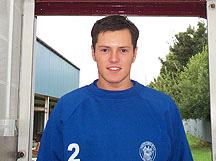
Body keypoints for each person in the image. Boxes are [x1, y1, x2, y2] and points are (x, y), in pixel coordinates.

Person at [37, 15, 193, 161]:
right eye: (105, 50)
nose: (114, 59)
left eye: (123, 50)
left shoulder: (163, 107)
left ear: (134, 54)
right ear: (93, 52)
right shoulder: (67, 108)